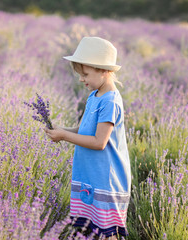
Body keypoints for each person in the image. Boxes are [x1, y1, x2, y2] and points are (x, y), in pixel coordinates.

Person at [44, 37, 131, 239]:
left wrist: (64, 136)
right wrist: (62, 129)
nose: (81, 79)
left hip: (106, 179)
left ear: (104, 71)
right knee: (90, 230)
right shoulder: (94, 95)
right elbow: (84, 130)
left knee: (106, 232)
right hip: (91, 175)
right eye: (80, 74)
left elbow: (99, 142)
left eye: (85, 74)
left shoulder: (110, 101)